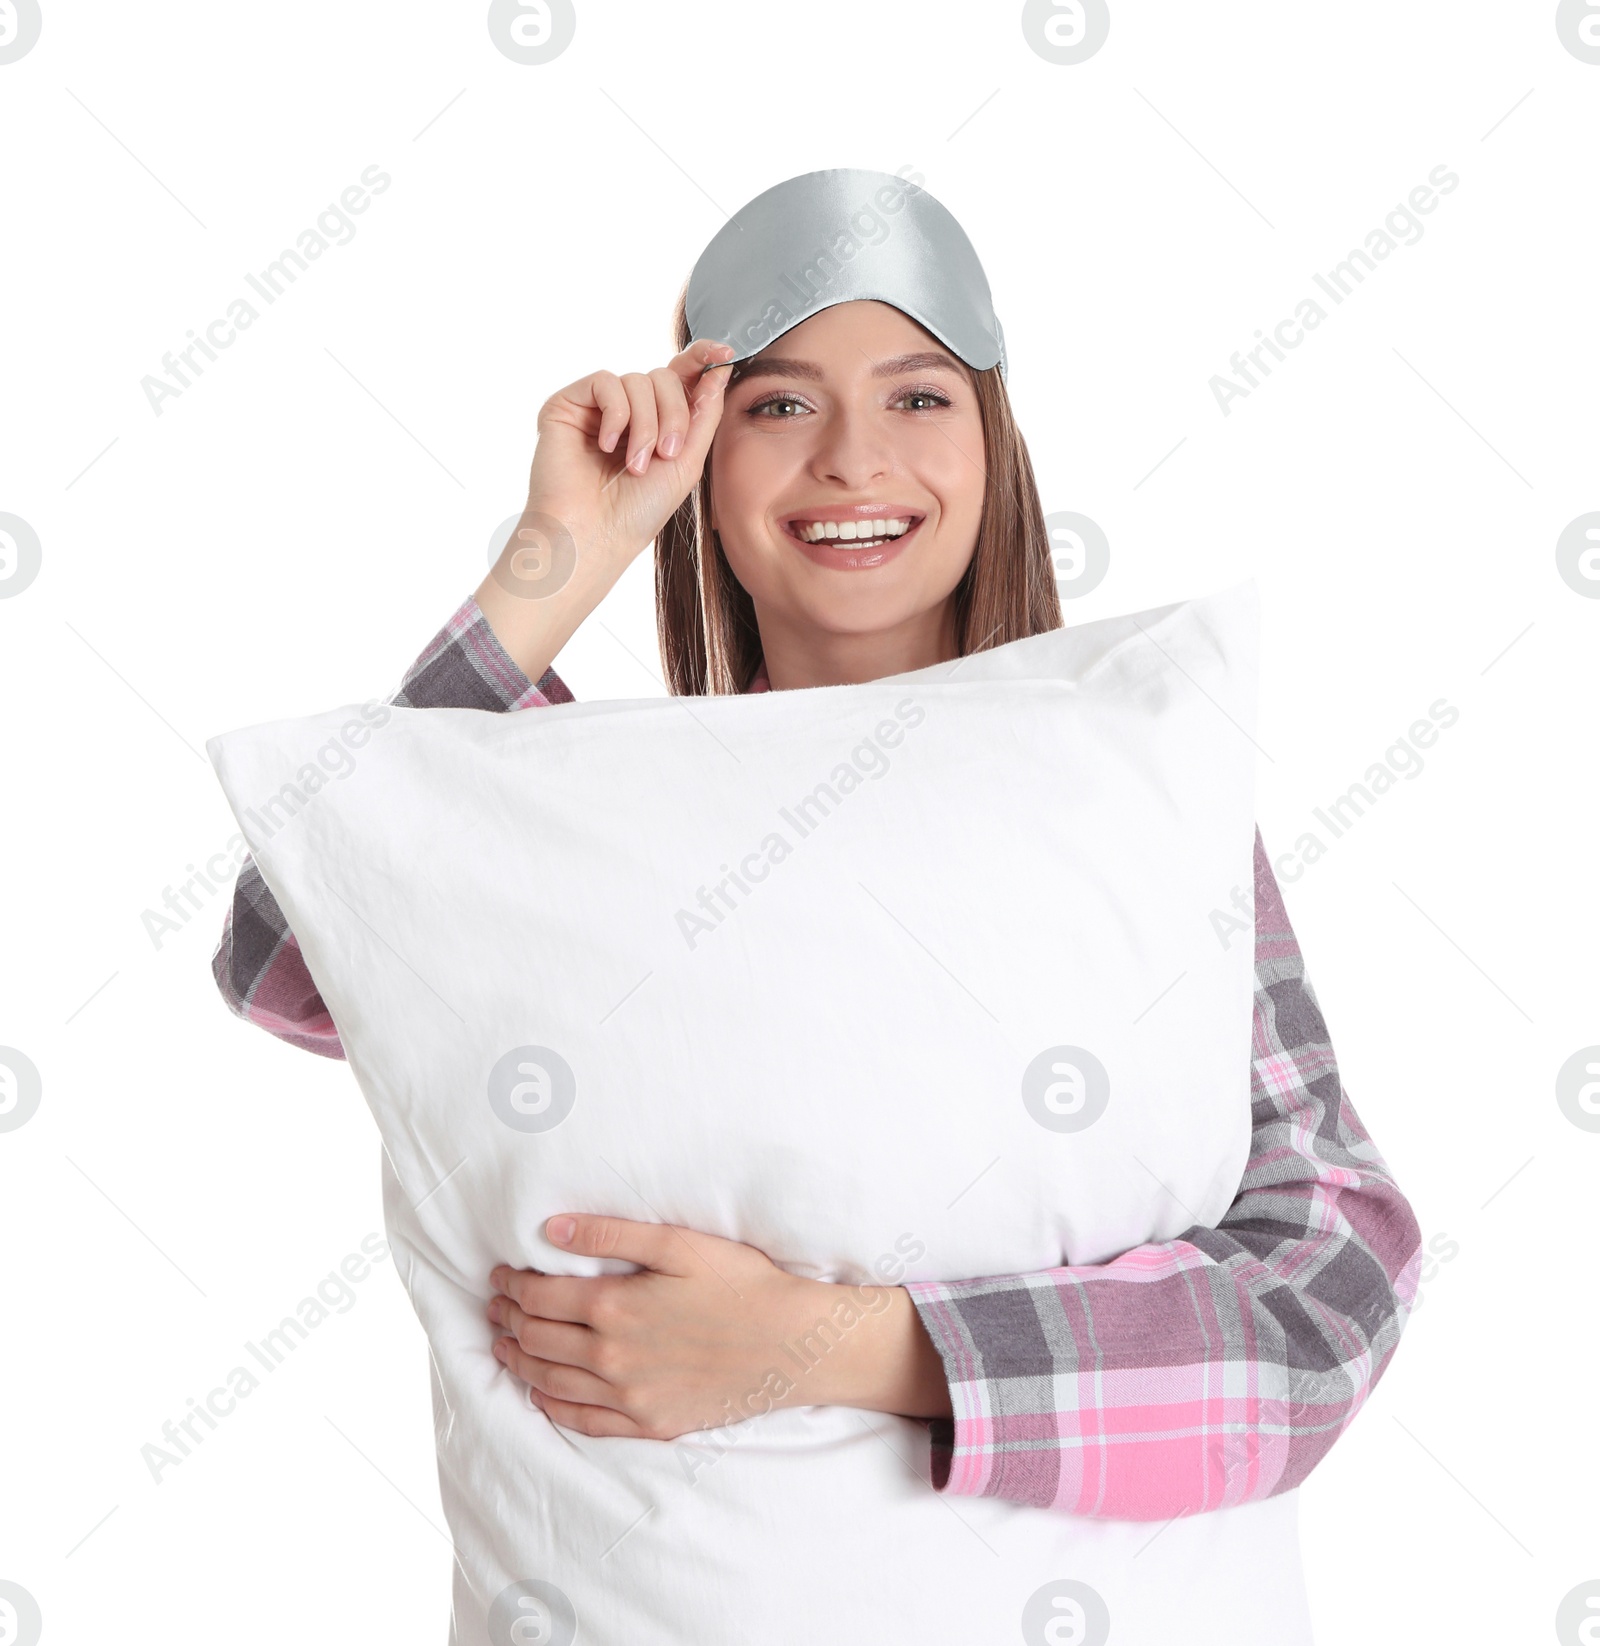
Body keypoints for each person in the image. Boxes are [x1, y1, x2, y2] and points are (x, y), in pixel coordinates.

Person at [212, 168, 1421, 1522]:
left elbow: (1327, 1300)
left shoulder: (1131, 805)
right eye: (780, 403)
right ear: (704, 459)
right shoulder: (607, 822)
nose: (853, 457)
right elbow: (287, 960)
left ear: (992, 446)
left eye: (918, 396)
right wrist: (559, 554)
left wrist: (831, 1345)